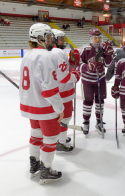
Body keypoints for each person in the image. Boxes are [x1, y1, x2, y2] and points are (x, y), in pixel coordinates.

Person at [20, 23, 64, 184]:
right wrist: (59, 108)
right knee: (51, 138)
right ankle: (46, 170)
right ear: (39, 38)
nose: (51, 39)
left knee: (36, 135)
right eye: (48, 36)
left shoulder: (27, 55)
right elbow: (49, 88)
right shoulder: (46, 56)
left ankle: (34, 165)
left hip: (31, 106)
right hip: (45, 107)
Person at [78, 28, 113, 135]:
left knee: (100, 102)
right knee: (88, 102)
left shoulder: (104, 48)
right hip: (87, 81)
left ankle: (99, 121)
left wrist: (108, 54)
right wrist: (87, 66)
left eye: (99, 38)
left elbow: (108, 65)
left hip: (100, 79)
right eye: (95, 38)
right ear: (90, 38)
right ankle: (86, 122)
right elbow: (77, 64)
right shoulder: (85, 49)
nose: (97, 40)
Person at [51, 29, 81, 153]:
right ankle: (61, 142)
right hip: (63, 92)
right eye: (61, 39)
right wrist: (76, 74)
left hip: (55, 91)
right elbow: (64, 78)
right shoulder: (59, 53)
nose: (64, 41)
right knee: (65, 117)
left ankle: (59, 138)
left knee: (58, 117)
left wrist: (72, 63)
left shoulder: (51, 52)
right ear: (54, 40)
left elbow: (61, 70)